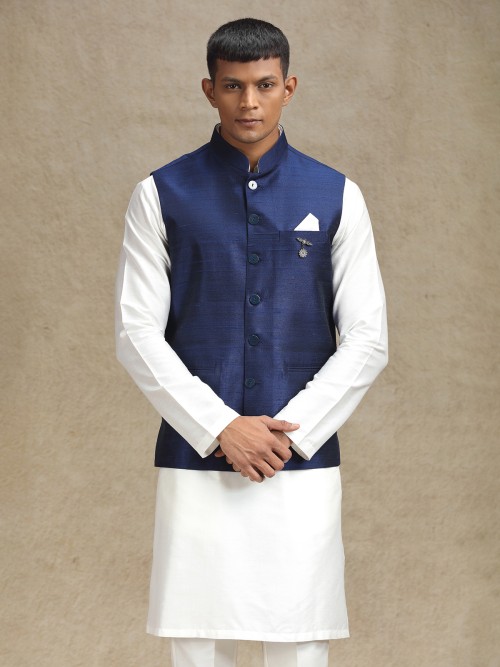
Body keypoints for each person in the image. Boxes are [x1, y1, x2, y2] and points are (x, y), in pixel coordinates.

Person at [115, 17, 388, 667]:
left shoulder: (336, 194)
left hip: (299, 457)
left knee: (299, 640)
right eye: (233, 86)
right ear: (209, 89)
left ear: (288, 88)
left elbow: (368, 337)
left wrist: (290, 433)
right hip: (196, 454)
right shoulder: (161, 194)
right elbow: (135, 332)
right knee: (197, 639)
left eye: (265, 85)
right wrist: (220, 426)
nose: (249, 102)